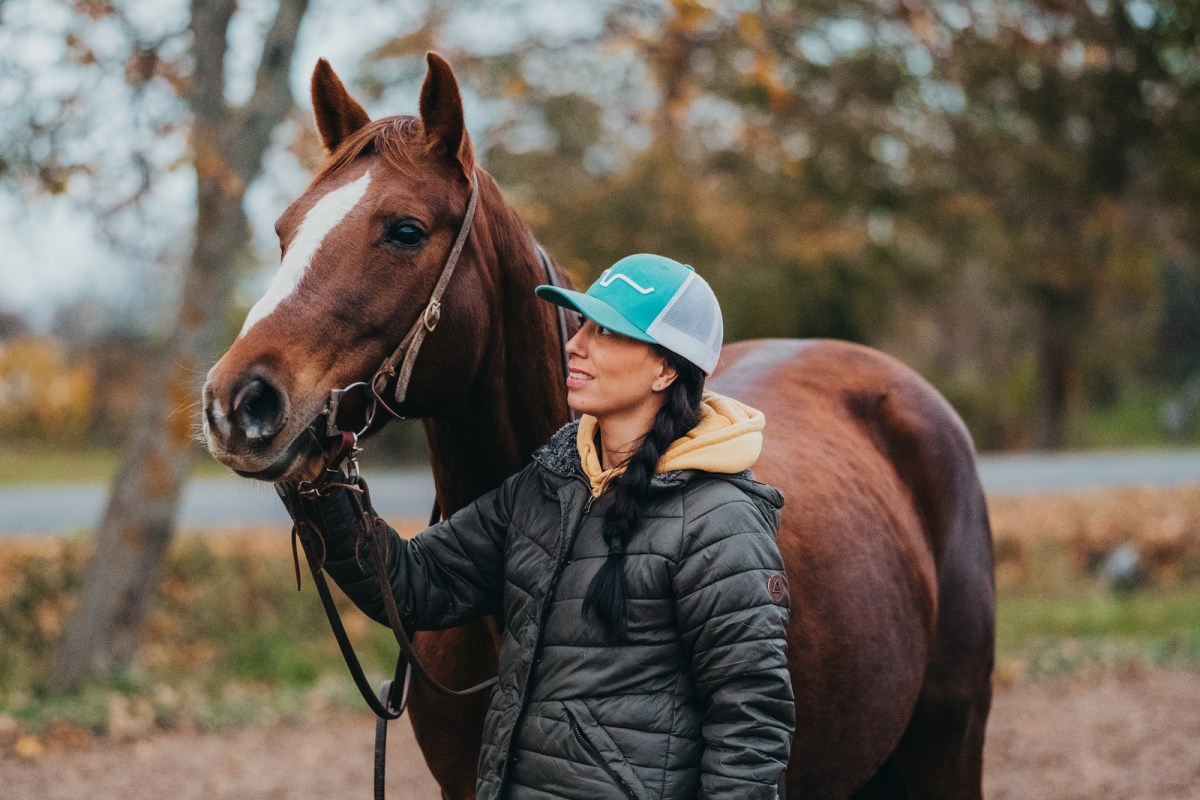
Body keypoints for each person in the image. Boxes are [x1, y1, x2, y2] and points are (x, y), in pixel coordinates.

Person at [299, 253, 794, 799]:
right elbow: (414, 585)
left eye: (606, 331)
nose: (575, 344)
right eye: (581, 324)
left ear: (666, 368)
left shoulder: (721, 520)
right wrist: (321, 485)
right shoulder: (547, 484)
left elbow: (749, 722)